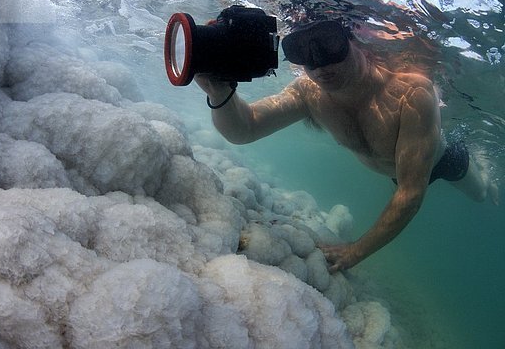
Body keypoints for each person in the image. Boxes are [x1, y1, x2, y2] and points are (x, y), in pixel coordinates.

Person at [195, 20, 498, 272]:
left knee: (482, 192)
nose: (320, 67)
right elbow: (244, 130)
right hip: (396, 173)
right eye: (304, 55)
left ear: (357, 43)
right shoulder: (309, 92)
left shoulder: (411, 92)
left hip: (443, 160)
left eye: (330, 46)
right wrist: (220, 93)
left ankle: (482, 169)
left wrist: (356, 251)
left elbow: (411, 192)